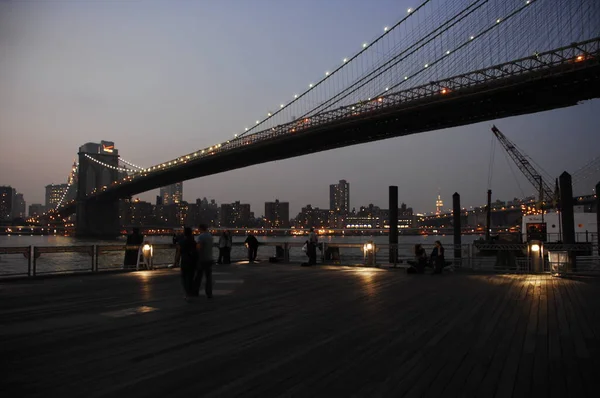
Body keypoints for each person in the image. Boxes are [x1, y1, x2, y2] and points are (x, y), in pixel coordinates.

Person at [178, 227, 198, 300]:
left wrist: (176, 262)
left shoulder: (182, 242)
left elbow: (179, 252)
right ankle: (191, 292)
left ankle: (187, 293)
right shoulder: (193, 242)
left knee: (184, 278)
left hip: (184, 261)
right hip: (192, 261)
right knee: (191, 277)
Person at [194, 224, 214, 298]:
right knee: (208, 277)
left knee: (198, 276)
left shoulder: (201, 237)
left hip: (202, 259)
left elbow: (198, 247)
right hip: (209, 258)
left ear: (201, 229)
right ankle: (209, 293)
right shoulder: (210, 236)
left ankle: (195, 292)